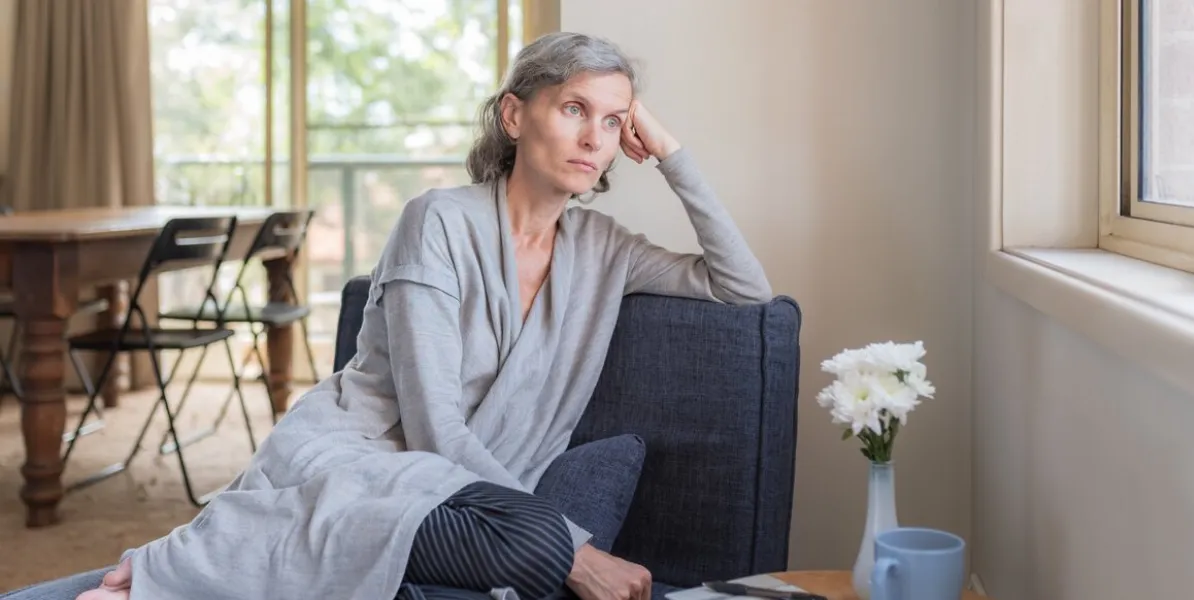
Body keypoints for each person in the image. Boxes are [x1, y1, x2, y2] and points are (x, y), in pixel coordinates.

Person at [4, 31, 771, 600]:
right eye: (574, 108)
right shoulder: (437, 221)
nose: (593, 138)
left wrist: (670, 152)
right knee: (544, 546)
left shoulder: (607, 250)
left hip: (474, 495)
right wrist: (577, 549)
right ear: (514, 115)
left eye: (612, 121)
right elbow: (434, 429)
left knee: (533, 545)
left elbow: (746, 287)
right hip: (364, 463)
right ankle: (182, 572)